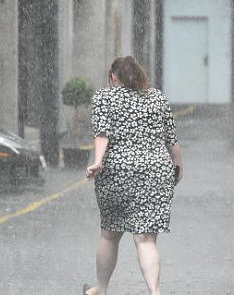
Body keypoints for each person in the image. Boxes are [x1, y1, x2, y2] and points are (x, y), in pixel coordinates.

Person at [83, 56, 183, 295]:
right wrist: (176, 169)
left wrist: (98, 162)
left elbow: (102, 134)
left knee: (109, 235)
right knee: (146, 240)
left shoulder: (105, 97)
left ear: (113, 77)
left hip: (117, 172)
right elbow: (172, 141)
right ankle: (154, 292)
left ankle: (102, 289)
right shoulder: (157, 98)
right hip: (155, 171)